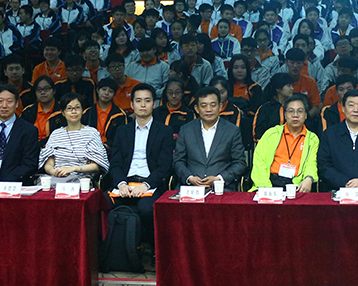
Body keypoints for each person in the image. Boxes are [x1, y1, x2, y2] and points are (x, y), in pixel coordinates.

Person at [108, 84, 176, 244]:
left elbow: (164, 166)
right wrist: (121, 184)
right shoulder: (122, 131)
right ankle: (110, 250)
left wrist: (146, 185)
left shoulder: (164, 131)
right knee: (103, 202)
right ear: (132, 105)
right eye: (138, 101)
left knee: (146, 208)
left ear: (154, 104)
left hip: (150, 184)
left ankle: (150, 247)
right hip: (125, 183)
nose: (143, 105)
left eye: (147, 100)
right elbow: (115, 163)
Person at [173, 86, 247, 191]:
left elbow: (240, 163)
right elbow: (178, 161)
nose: (208, 109)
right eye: (203, 105)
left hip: (222, 188)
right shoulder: (186, 130)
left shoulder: (232, 131)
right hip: (191, 188)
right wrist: (190, 178)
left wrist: (219, 178)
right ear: (197, 109)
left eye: (213, 105)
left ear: (220, 107)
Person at [250, 94, 319, 192]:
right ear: (285, 115)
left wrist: (309, 178)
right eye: (291, 111)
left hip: (296, 185)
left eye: (300, 111)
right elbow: (259, 162)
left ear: (306, 115)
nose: (295, 115)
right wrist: (266, 188)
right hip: (269, 182)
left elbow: (311, 163)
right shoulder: (271, 134)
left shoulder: (312, 139)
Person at [39, 92, 109, 182]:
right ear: (63, 112)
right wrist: (54, 172)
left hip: (82, 180)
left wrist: (73, 168)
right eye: (69, 108)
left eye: (77, 107)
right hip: (57, 179)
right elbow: (49, 164)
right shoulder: (56, 134)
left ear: (83, 111)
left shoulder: (92, 133)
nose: (73, 111)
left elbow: (96, 166)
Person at [83, 78, 128, 144]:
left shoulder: (120, 114)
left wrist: (107, 145)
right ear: (97, 90)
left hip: (110, 148)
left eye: (110, 91)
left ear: (114, 94)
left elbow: (121, 136)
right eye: (104, 89)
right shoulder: (87, 112)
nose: (106, 93)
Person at [253, 72, 293, 142]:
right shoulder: (265, 109)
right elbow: (258, 134)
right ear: (278, 89)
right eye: (288, 86)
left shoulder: (295, 107)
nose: (292, 88)